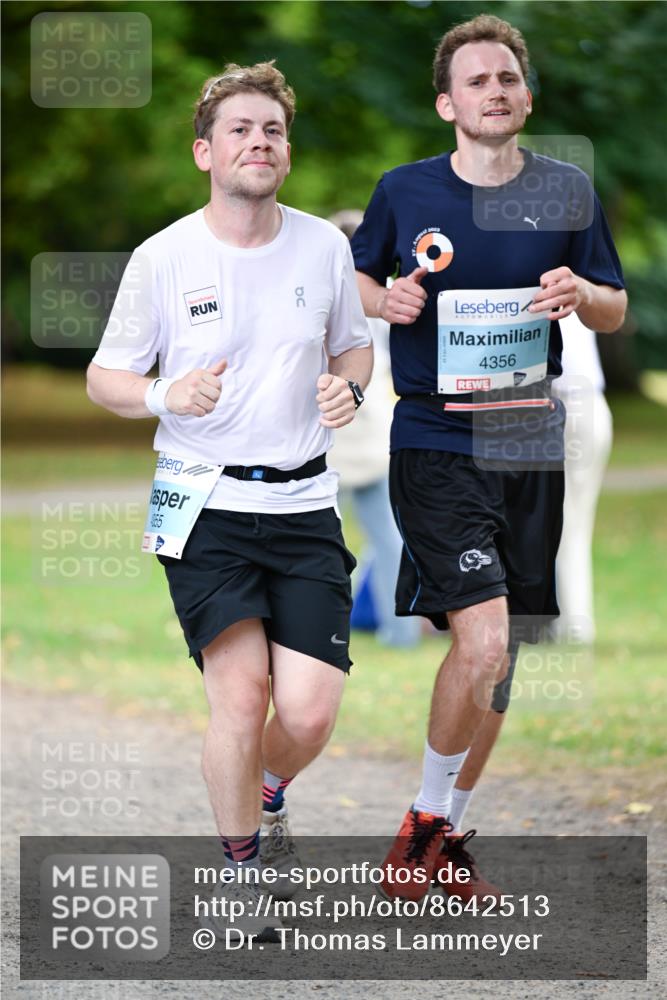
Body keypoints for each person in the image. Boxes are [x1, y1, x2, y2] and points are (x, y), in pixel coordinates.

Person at [87, 61, 372, 939]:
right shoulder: (164, 256)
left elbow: (352, 349)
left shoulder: (324, 246)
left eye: (273, 131)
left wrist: (348, 393)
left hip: (304, 505)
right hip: (203, 503)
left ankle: (266, 792)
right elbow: (105, 378)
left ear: (286, 152)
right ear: (206, 151)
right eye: (241, 130)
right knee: (240, 700)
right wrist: (168, 395)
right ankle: (241, 870)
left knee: (312, 711)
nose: (259, 142)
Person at [352, 14, 626, 900]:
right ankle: (424, 824)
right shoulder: (404, 191)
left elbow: (613, 308)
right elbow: (354, 280)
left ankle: (448, 829)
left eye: (506, 77)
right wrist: (384, 297)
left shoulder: (565, 191)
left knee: (503, 654)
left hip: (526, 432)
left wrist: (581, 291)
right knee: (483, 641)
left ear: (525, 94)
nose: (494, 91)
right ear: (447, 102)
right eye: (476, 80)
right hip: (435, 431)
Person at [328, 209, 420, 648]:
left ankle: (325, 632)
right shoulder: (384, 302)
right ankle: (399, 631)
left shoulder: (323, 300)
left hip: (334, 434)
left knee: (323, 543)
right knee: (390, 540)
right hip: (374, 432)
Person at [551, 312, 614, 644]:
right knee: (568, 522)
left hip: (568, 405)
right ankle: (567, 621)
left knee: (567, 521)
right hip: (585, 405)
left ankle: (571, 624)